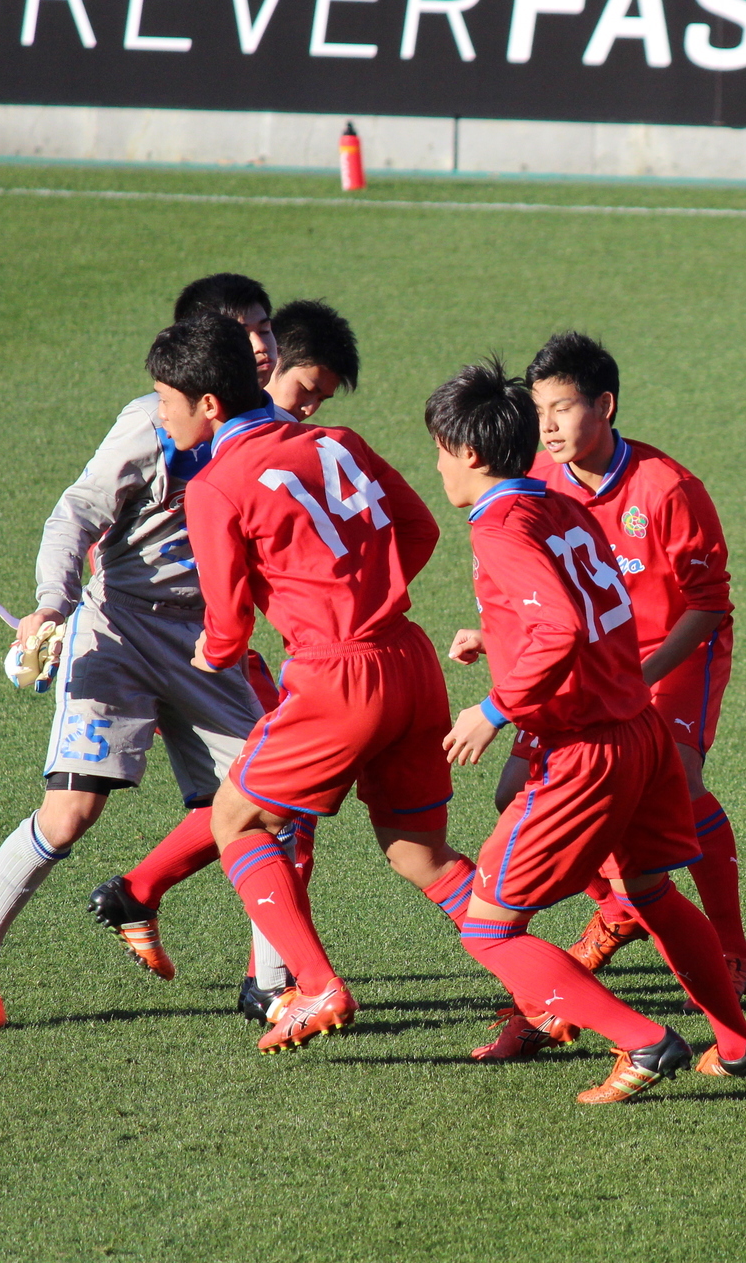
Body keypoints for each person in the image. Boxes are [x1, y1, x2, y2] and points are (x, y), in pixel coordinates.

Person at [431, 360, 746, 1102]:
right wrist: (500, 640)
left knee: (489, 930)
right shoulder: (561, 509)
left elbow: (558, 626)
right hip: (637, 732)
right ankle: (740, 1043)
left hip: (584, 748)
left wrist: (492, 710)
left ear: (466, 453)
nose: (435, 466)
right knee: (650, 887)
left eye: (436, 450)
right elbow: (594, 617)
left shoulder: (502, 524)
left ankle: (644, 1042)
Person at [0, 275, 281, 1031]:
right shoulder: (151, 425)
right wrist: (50, 605)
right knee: (69, 815)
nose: (261, 342)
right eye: (243, 331)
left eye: (265, 327)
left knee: (262, 809)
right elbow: (76, 511)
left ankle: (273, 984)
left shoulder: (272, 429)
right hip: (122, 631)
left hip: (209, 643)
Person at [154, 312, 473, 1055]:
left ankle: (315, 984)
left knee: (236, 819)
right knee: (419, 853)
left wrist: (213, 651)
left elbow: (228, 629)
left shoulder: (213, 487)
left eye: (165, 399)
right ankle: (537, 993)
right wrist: (364, 597)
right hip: (411, 660)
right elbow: (420, 531)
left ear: (207, 404)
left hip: (338, 679)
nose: (160, 414)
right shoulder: (336, 441)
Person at [87, 295, 366, 1022]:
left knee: (263, 804)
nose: (307, 407)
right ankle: (272, 980)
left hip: (276, 648)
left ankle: (147, 894)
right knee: (273, 807)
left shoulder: (276, 438)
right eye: (305, 389)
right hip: (213, 646)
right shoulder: (220, 440)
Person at [499, 333, 746, 1004]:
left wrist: (643, 674)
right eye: (539, 411)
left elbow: (708, 605)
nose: (547, 425)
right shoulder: (535, 480)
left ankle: (731, 947)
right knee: (513, 794)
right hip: (588, 663)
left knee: (679, 777)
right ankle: (619, 905)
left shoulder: (667, 488)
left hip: (674, 653)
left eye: (562, 408)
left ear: (605, 405)